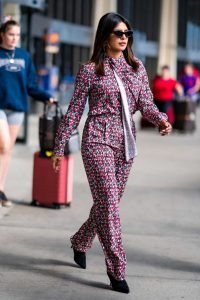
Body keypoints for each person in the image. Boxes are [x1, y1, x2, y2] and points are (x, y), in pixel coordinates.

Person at [52, 12, 172, 294]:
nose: (123, 38)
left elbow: (146, 103)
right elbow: (74, 112)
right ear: (105, 35)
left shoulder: (137, 67)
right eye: (118, 33)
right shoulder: (90, 70)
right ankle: (117, 270)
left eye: (127, 34)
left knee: (108, 205)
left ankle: (80, 241)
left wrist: (162, 120)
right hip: (96, 141)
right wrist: (58, 147)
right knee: (110, 204)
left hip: (125, 144)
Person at [0, 19, 55, 207]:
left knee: (6, 151)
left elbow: (30, 85)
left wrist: (46, 97)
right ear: (2, 34)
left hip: (17, 108)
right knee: (4, 143)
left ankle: (1, 190)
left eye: (17, 34)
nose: (14, 38)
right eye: (10, 34)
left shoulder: (24, 56)